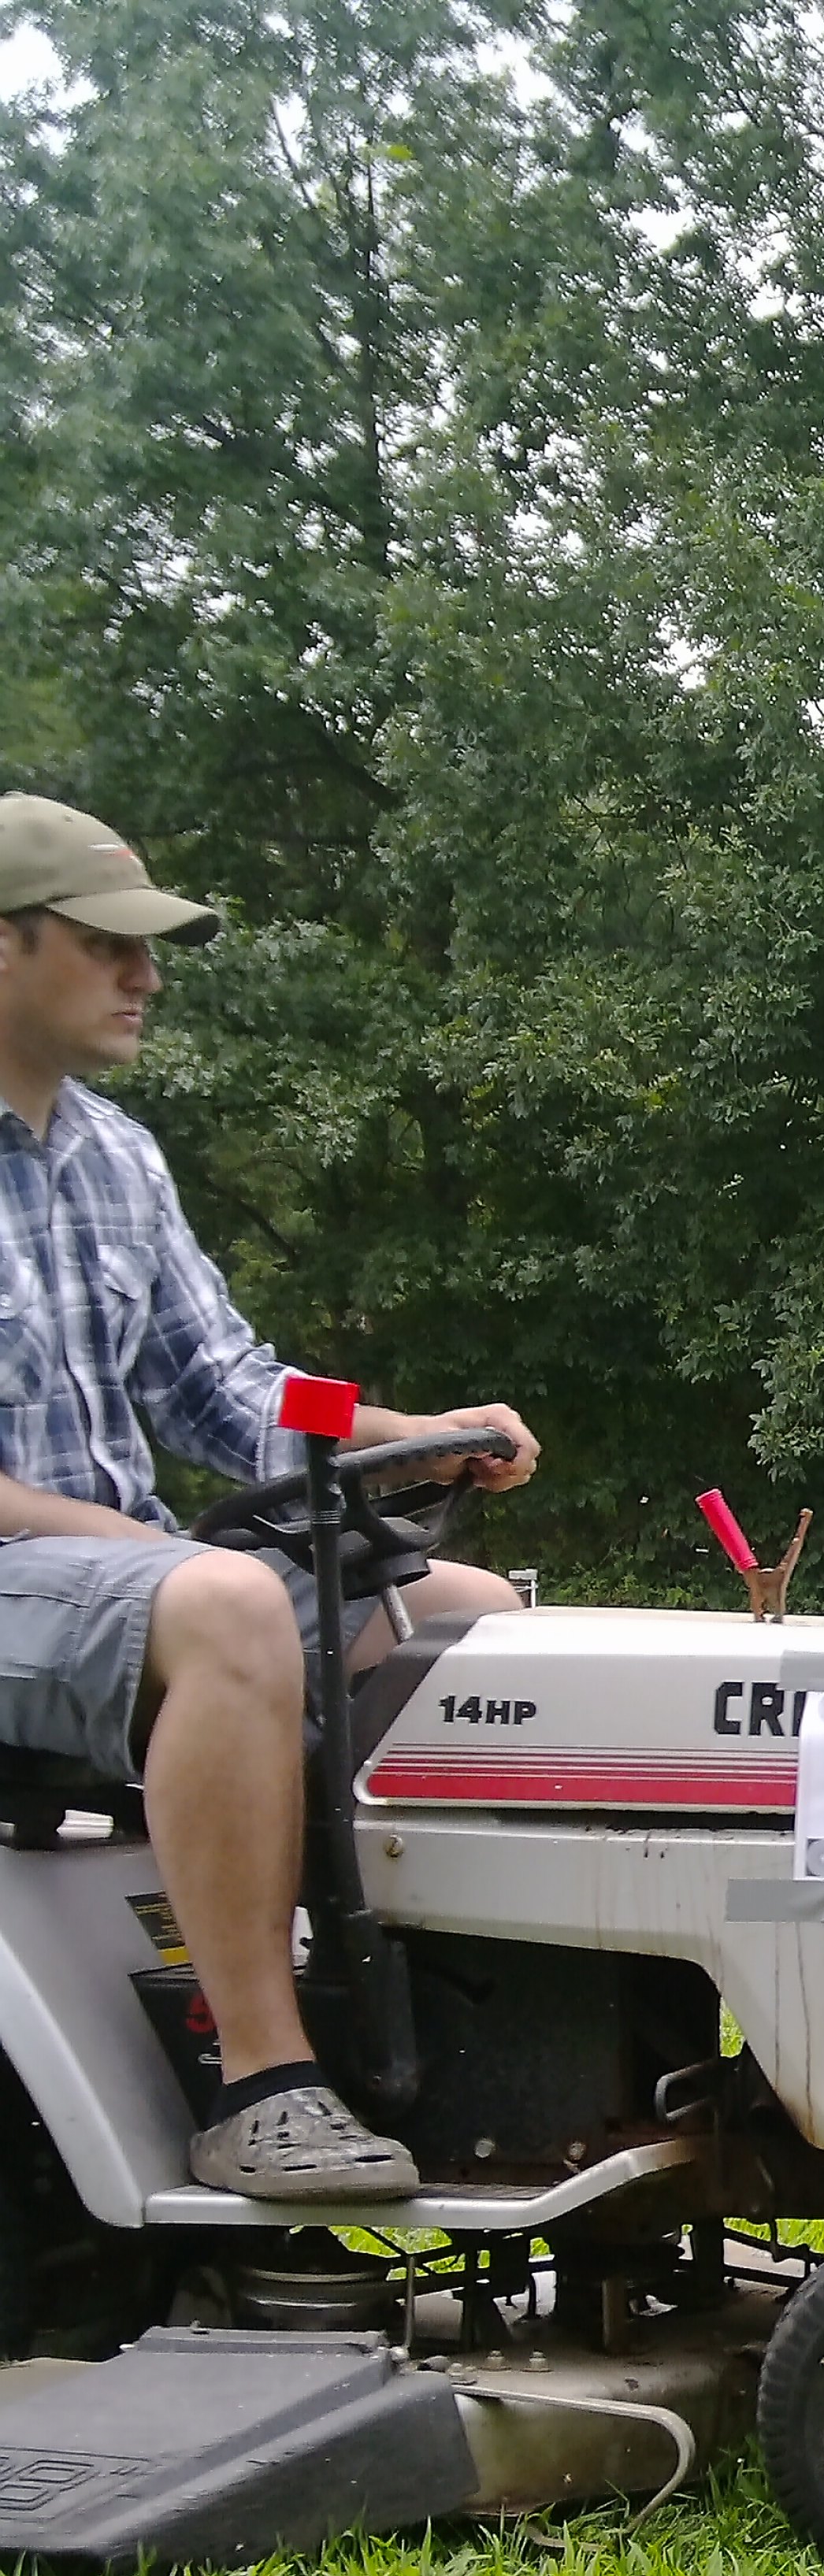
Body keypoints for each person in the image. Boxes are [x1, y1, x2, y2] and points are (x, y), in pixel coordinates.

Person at [0, 791, 540, 2202]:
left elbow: (237, 1392)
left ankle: (444, 2030)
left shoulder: (115, 1158)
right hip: (48, 1577)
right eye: (109, 944)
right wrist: (121, 1541)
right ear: (5, 946)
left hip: (113, 1581)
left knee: (461, 1615)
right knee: (230, 1600)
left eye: (151, 947)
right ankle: (262, 2081)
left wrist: (412, 1434)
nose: (147, 974)